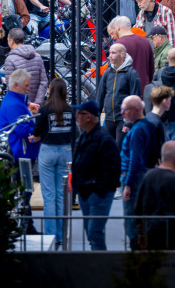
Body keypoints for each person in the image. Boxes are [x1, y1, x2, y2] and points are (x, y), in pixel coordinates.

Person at [29, 78, 75, 247]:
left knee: (49, 195)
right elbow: (74, 133)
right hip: (66, 151)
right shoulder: (70, 110)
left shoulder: (45, 109)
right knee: (62, 194)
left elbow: (37, 130)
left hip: (47, 151)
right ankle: (63, 234)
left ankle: (51, 235)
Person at [72, 99, 121, 251]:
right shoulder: (84, 136)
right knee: (90, 231)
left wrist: (97, 188)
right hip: (86, 192)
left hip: (97, 193)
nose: (76, 116)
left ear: (89, 117)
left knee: (94, 231)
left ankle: (100, 266)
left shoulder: (104, 139)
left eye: (80, 113)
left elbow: (113, 169)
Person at [118, 95, 160, 248]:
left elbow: (135, 160)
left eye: (125, 110)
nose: (122, 113)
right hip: (141, 176)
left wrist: (128, 184)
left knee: (132, 220)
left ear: (137, 110)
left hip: (134, 179)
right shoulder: (147, 125)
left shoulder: (137, 130)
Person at [95, 43, 143, 145]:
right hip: (108, 119)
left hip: (123, 120)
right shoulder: (108, 72)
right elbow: (100, 96)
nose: (110, 56)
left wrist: (129, 122)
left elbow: (135, 99)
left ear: (122, 54)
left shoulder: (131, 73)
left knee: (119, 149)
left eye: (113, 53)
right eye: (109, 53)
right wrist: (96, 117)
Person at [0, 68, 40, 162]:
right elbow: (23, 130)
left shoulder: (14, 101)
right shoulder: (14, 105)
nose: (28, 88)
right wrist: (40, 133)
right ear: (16, 85)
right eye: (26, 85)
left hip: (20, 150)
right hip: (21, 152)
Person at [2, 27, 49, 105]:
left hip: (20, 105)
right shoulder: (37, 56)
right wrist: (37, 103)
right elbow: (44, 82)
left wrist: (28, 104)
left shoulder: (10, 59)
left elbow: (11, 87)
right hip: (37, 106)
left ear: (11, 41)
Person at [110, 16, 156, 86]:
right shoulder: (145, 42)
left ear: (118, 27)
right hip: (144, 87)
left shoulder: (118, 45)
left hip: (125, 90)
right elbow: (151, 68)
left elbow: (113, 71)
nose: (112, 37)